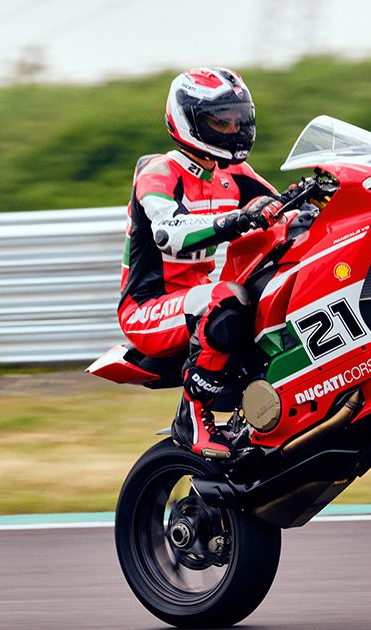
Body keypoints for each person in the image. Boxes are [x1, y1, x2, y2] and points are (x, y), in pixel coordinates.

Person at [117, 67, 287, 460]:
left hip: (197, 296)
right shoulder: (159, 171)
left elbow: (281, 210)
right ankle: (191, 417)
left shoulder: (233, 173)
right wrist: (237, 219)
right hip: (148, 309)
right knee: (225, 299)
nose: (233, 129)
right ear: (188, 121)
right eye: (220, 120)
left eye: (237, 118)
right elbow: (169, 233)